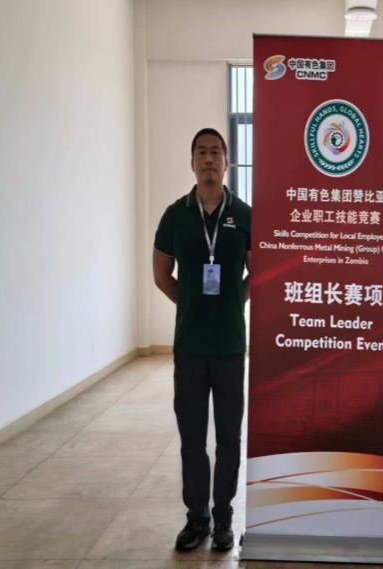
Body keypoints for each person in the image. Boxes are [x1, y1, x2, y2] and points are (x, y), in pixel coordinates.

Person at [152, 128, 251, 552]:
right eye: (201, 153)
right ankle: (197, 518)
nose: (209, 159)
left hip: (229, 347)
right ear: (192, 162)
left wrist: (233, 301)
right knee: (192, 438)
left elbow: (258, 271)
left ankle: (224, 518)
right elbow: (161, 275)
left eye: (216, 152)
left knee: (229, 438)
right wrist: (191, 302)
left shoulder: (244, 215)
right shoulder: (175, 215)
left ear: (227, 162)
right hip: (190, 347)